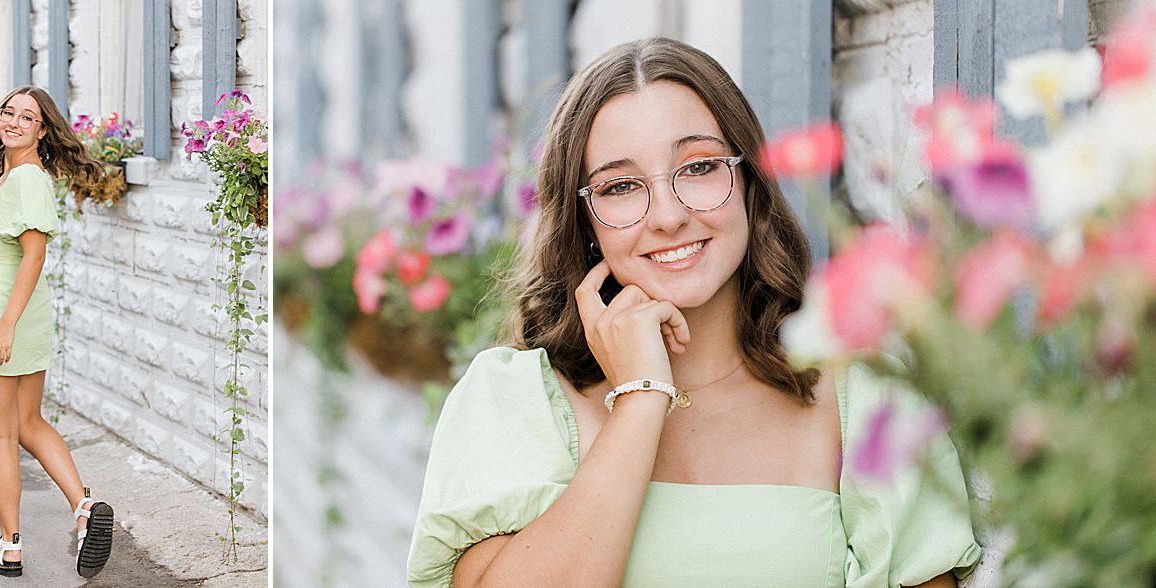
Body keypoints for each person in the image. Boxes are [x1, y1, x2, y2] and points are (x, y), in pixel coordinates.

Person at [408, 38, 981, 587]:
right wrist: (641, 399)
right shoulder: (513, 400)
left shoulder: (865, 396)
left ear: (748, 181)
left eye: (699, 167)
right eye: (621, 186)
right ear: (584, 223)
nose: (668, 216)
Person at [0, 85, 113, 578]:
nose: (14, 122)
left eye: (27, 117)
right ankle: (84, 507)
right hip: (14, 313)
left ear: (43, 131)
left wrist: (4, 326)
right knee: (26, 422)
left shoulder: (26, 179)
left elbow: (34, 256)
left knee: (0, 434)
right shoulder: (15, 174)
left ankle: (10, 545)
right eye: (8, 112)